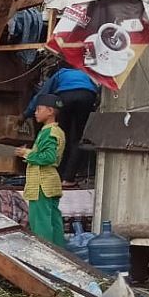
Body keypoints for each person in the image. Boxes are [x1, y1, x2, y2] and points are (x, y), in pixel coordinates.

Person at [23, 62, 98, 184]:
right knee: (78, 139)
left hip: (65, 97)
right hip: (87, 96)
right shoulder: (84, 73)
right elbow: (98, 88)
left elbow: (42, 95)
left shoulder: (59, 73)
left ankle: (58, 176)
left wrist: (26, 113)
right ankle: (68, 179)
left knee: (62, 136)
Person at [16, 94, 67, 249]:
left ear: (50, 111)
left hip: (41, 184)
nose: (35, 112)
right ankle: (60, 254)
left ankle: (44, 254)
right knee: (54, 221)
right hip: (50, 182)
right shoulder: (57, 131)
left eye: (39, 109)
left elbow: (48, 157)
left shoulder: (48, 132)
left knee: (41, 222)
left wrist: (26, 153)